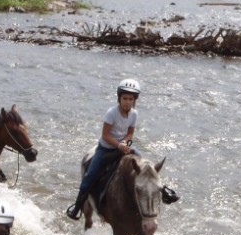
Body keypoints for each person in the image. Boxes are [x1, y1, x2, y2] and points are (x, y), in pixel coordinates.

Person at [65, 78, 179, 219]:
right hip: (106, 148)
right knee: (89, 176)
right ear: (119, 98)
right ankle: (77, 207)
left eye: (130, 99)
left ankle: (164, 190)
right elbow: (105, 135)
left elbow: (130, 133)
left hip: (125, 145)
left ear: (134, 100)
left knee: (146, 167)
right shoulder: (111, 112)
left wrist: (125, 143)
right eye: (124, 98)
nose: (127, 102)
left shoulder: (134, 114)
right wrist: (119, 145)